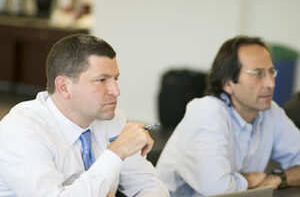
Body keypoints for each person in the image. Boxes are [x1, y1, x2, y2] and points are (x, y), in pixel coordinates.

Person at [0, 34, 169, 197]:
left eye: (115, 79)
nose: (116, 91)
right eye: (102, 80)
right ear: (64, 87)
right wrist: (117, 151)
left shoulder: (112, 118)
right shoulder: (21, 130)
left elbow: (148, 185)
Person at [156, 35, 300, 196]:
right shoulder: (207, 111)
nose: (271, 83)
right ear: (228, 83)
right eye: (258, 74)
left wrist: (278, 178)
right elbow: (218, 190)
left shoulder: (271, 113)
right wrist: (250, 180)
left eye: (271, 72)